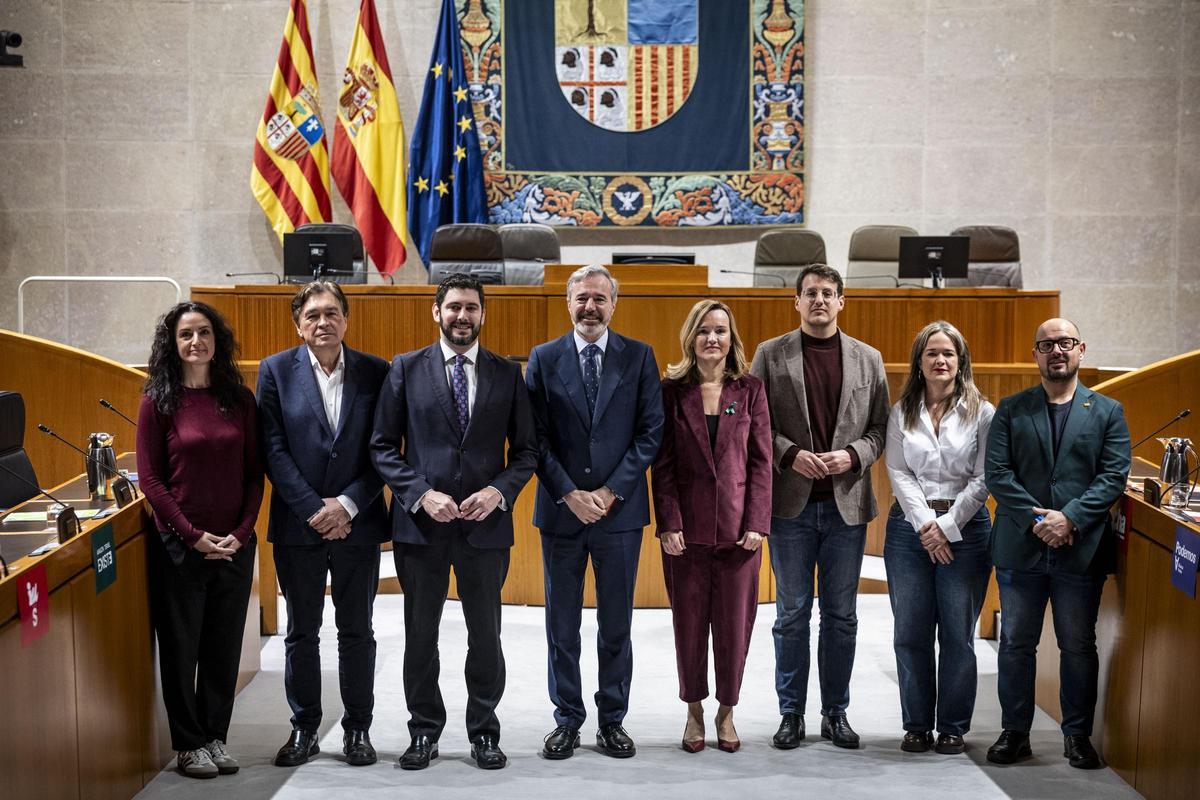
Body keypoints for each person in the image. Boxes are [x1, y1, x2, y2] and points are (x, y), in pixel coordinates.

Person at [370, 274, 537, 771]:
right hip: (421, 529)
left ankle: (484, 732)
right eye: (453, 307)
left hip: (485, 529)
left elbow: (527, 451)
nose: (462, 316)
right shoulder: (405, 368)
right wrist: (421, 494)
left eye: (471, 308)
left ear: (483, 313)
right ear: (436, 312)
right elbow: (383, 447)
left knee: (485, 636)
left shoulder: (507, 373)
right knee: (421, 635)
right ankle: (424, 731)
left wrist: (498, 492)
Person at [525, 265, 664, 760]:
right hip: (561, 514)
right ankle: (567, 719)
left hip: (618, 515)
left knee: (616, 624)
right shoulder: (543, 358)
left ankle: (612, 720)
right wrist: (569, 493)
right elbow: (534, 438)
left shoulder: (639, 356)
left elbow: (650, 433)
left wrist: (609, 492)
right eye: (582, 298)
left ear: (613, 305)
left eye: (600, 299)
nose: (590, 307)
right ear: (568, 303)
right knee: (562, 626)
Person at [749, 264, 889, 750]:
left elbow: (880, 429)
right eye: (810, 293)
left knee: (841, 616)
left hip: (846, 507)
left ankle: (835, 713)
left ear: (841, 301)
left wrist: (853, 455)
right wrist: (789, 453)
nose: (819, 301)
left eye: (828, 293)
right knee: (791, 614)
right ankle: (791, 713)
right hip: (790, 507)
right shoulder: (770, 354)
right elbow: (752, 423)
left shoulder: (869, 358)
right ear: (797, 301)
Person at [984, 318, 1130, 769]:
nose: (1056, 351)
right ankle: (1015, 733)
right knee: (1015, 644)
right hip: (1021, 549)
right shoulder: (1012, 408)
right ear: (1035, 354)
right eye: (1046, 345)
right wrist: (1039, 520)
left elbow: (1113, 475)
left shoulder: (1107, 411)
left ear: (1081, 349)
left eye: (1065, 343)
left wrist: (1070, 518)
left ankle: (1077, 736)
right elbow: (998, 474)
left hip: (1079, 549)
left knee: (1078, 646)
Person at [256, 281, 390, 768]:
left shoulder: (376, 371)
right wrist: (315, 509)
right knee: (301, 632)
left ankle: (358, 729)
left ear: (346, 320)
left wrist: (348, 505)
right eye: (312, 315)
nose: (323, 322)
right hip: (299, 526)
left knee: (357, 631)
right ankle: (305, 728)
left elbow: (385, 449)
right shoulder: (275, 371)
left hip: (359, 524)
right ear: (299, 325)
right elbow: (272, 448)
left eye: (332, 313)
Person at [136, 301, 264, 779]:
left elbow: (254, 474)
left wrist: (240, 534)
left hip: (233, 547)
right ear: (172, 344)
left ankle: (214, 736)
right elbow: (151, 480)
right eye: (186, 334)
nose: (196, 342)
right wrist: (192, 536)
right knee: (181, 648)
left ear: (217, 339)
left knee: (222, 649)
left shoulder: (239, 399)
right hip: (180, 548)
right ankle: (188, 744)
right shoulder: (158, 401)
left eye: (204, 332)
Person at [651, 300, 772, 753]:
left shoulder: (751, 389)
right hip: (685, 535)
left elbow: (762, 463)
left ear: (731, 338)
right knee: (688, 627)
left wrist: (758, 521)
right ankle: (693, 710)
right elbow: (662, 465)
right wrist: (669, 522)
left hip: (740, 534)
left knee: (734, 629)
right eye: (703, 330)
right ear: (690, 338)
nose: (712, 339)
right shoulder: (670, 391)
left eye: (720, 330)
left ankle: (726, 710)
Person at [884, 321, 995, 755]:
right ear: (919, 361)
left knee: (957, 634)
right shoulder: (901, 411)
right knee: (910, 632)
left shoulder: (982, 412)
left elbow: (985, 478)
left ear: (961, 361)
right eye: (932, 353)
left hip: (966, 531)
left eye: (949, 353)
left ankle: (952, 726)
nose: (940, 360)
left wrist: (946, 527)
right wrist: (926, 526)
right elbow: (898, 471)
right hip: (908, 530)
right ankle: (915, 725)